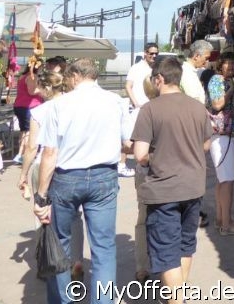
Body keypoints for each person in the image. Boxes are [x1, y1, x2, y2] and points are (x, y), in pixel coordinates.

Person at [33, 58, 132, 304]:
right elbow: (127, 143)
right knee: (104, 248)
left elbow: (49, 152)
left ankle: (63, 300)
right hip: (104, 176)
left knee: (61, 243)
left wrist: (41, 195)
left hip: (67, 177)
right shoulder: (116, 102)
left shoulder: (60, 105)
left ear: (75, 76)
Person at [132, 56, 212, 304]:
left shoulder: (150, 109)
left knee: (166, 252)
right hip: (194, 186)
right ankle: (177, 294)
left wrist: (158, 156)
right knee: (186, 244)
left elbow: (140, 154)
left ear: (159, 79)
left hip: (164, 189)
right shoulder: (198, 107)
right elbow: (207, 144)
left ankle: (176, 299)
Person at [18, 67, 85, 282]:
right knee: (74, 217)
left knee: (43, 216)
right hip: (70, 166)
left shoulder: (40, 111)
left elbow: (31, 148)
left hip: (43, 165)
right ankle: (76, 261)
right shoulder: (75, 107)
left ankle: (49, 261)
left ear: (47, 87)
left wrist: (23, 174)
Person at [207, 51, 234, 236]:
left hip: (229, 135)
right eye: (227, 63)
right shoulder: (217, 81)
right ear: (220, 64)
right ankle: (226, 224)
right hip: (221, 135)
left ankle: (220, 219)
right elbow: (217, 104)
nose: (230, 67)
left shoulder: (231, 81)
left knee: (223, 181)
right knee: (228, 181)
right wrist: (232, 89)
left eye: (233, 64)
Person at [180, 39, 213, 229]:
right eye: (206, 58)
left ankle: (193, 208)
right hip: (191, 131)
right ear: (197, 55)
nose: (207, 62)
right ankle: (191, 210)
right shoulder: (186, 74)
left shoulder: (190, 73)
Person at [122, 42, 159, 178]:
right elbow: (128, 86)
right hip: (139, 108)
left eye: (156, 53)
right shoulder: (136, 68)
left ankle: (144, 162)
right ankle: (121, 163)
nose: (154, 56)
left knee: (149, 137)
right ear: (145, 53)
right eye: (151, 53)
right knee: (130, 137)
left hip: (152, 107)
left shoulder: (155, 69)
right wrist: (135, 103)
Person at [12, 61, 45, 163]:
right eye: (41, 66)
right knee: (30, 132)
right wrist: (43, 90)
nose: (42, 68)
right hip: (29, 107)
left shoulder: (22, 76)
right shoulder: (32, 76)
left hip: (20, 105)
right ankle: (25, 155)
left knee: (24, 131)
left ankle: (20, 153)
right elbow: (32, 91)